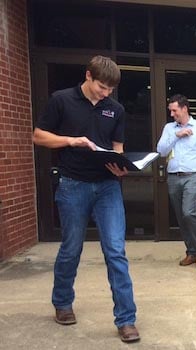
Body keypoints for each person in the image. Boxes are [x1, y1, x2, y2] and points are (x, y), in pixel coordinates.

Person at [32, 55, 140, 343]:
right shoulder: (61, 100)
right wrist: (71, 140)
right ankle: (62, 303)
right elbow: (38, 137)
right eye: (102, 87)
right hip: (72, 184)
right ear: (88, 76)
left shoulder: (114, 109)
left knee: (116, 251)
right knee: (71, 248)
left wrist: (121, 167)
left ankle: (126, 319)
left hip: (107, 187)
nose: (106, 94)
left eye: (110, 90)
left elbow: (118, 147)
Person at [157, 94, 196, 269]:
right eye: (170, 110)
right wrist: (177, 135)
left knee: (188, 213)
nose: (172, 114)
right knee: (180, 216)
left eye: (174, 110)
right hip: (174, 177)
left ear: (184, 109)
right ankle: (190, 251)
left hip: (193, 176)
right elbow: (161, 151)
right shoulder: (169, 128)